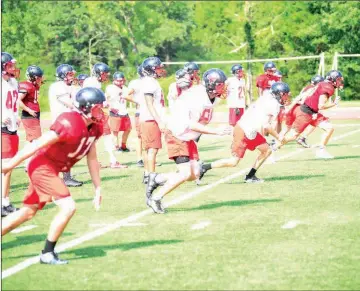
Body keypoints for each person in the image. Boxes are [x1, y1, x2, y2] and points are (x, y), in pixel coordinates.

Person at [1, 87, 105, 265]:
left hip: (52, 169)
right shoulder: (69, 122)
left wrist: (98, 187)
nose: (101, 111)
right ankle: (47, 253)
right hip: (43, 167)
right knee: (68, 206)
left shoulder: (95, 128)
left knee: (27, 212)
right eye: (97, 107)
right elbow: (37, 144)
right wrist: (11, 163)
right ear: (86, 108)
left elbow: (92, 158)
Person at [145, 68, 231, 214]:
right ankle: (156, 198)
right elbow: (189, 123)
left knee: (194, 174)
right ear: (211, 84)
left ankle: (158, 178)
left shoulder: (211, 96)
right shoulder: (196, 98)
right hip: (178, 134)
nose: (223, 88)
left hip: (187, 137)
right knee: (185, 174)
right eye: (220, 85)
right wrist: (216, 131)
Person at [199, 82, 291, 184]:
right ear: (279, 93)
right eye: (285, 94)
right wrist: (278, 137)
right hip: (243, 130)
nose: (286, 96)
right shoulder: (273, 104)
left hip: (249, 130)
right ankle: (204, 167)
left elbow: (262, 122)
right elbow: (266, 125)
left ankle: (250, 176)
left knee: (267, 150)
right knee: (233, 162)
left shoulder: (267, 98)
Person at [276, 70, 343, 159]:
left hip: (313, 112)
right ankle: (273, 147)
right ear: (332, 79)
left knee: (329, 128)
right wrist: (334, 104)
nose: (340, 82)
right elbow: (321, 106)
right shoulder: (328, 87)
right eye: (338, 80)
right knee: (293, 136)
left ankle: (321, 151)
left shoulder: (323, 84)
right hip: (306, 112)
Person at [83, 63, 127, 169]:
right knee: (94, 138)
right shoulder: (91, 82)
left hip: (96, 112)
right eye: (104, 74)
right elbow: (89, 98)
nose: (106, 76)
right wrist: (102, 104)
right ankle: (105, 161)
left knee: (105, 135)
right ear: (99, 73)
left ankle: (112, 160)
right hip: (92, 113)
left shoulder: (94, 82)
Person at [48, 64, 84, 187]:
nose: (72, 76)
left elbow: (80, 97)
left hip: (69, 122)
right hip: (61, 123)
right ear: (62, 75)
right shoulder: (57, 86)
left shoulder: (70, 87)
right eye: (69, 74)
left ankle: (66, 178)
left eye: (72, 74)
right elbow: (70, 103)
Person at [138, 57, 167, 184]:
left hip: (148, 118)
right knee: (152, 149)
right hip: (150, 119)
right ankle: (152, 176)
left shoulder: (151, 81)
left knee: (148, 148)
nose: (161, 70)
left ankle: (147, 174)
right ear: (152, 69)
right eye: (159, 68)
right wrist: (159, 121)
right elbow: (150, 104)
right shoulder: (149, 82)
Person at [1, 52, 20, 217]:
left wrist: (16, 115)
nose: (13, 68)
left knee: (9, 167)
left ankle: (5, 201)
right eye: (9, 65)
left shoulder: (13, 82)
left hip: (12, 129)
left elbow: (13, 104)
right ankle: (4, 203)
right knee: (6, 167)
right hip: (3, 130)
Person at [18, 65, 45, 169]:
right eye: (38, 77)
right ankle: (31, 163)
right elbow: (18, 101)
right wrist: (29, 110)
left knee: (30, 140)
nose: (40, 79)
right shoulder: (26, 85)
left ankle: (28, 163)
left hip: (33, 115)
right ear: (33, 77)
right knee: (37, 140)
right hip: (29, 116)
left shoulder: (34, 85)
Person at [105, 72, 136, 152]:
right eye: (118, 81)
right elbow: (107, 98)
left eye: (122, 80)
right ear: (114, 80)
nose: (120, 82)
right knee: (115, 131)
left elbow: (130, 95)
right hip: (115, 112)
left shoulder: (125, 88)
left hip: (124, 112)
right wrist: (110, 107)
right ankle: (116, 147)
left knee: (128, 129)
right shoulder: (110, 87)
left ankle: (123, 145)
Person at [294, 75, 325, 148]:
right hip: (303, 108)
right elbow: (306, 99)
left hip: (298, 106)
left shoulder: (307, 87)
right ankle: (278, 143)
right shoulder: (314, 89)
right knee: (295, 132)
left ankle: (302, 138)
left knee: (316, 121)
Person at [127, 65, 145, 167]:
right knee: (140, 137)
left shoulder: (151, 82)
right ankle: (139, 159)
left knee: (148, 137)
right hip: (141, 112)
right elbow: (126, 95)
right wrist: (138, 101)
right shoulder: (136, 83)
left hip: (150, 112)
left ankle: (148, 158)